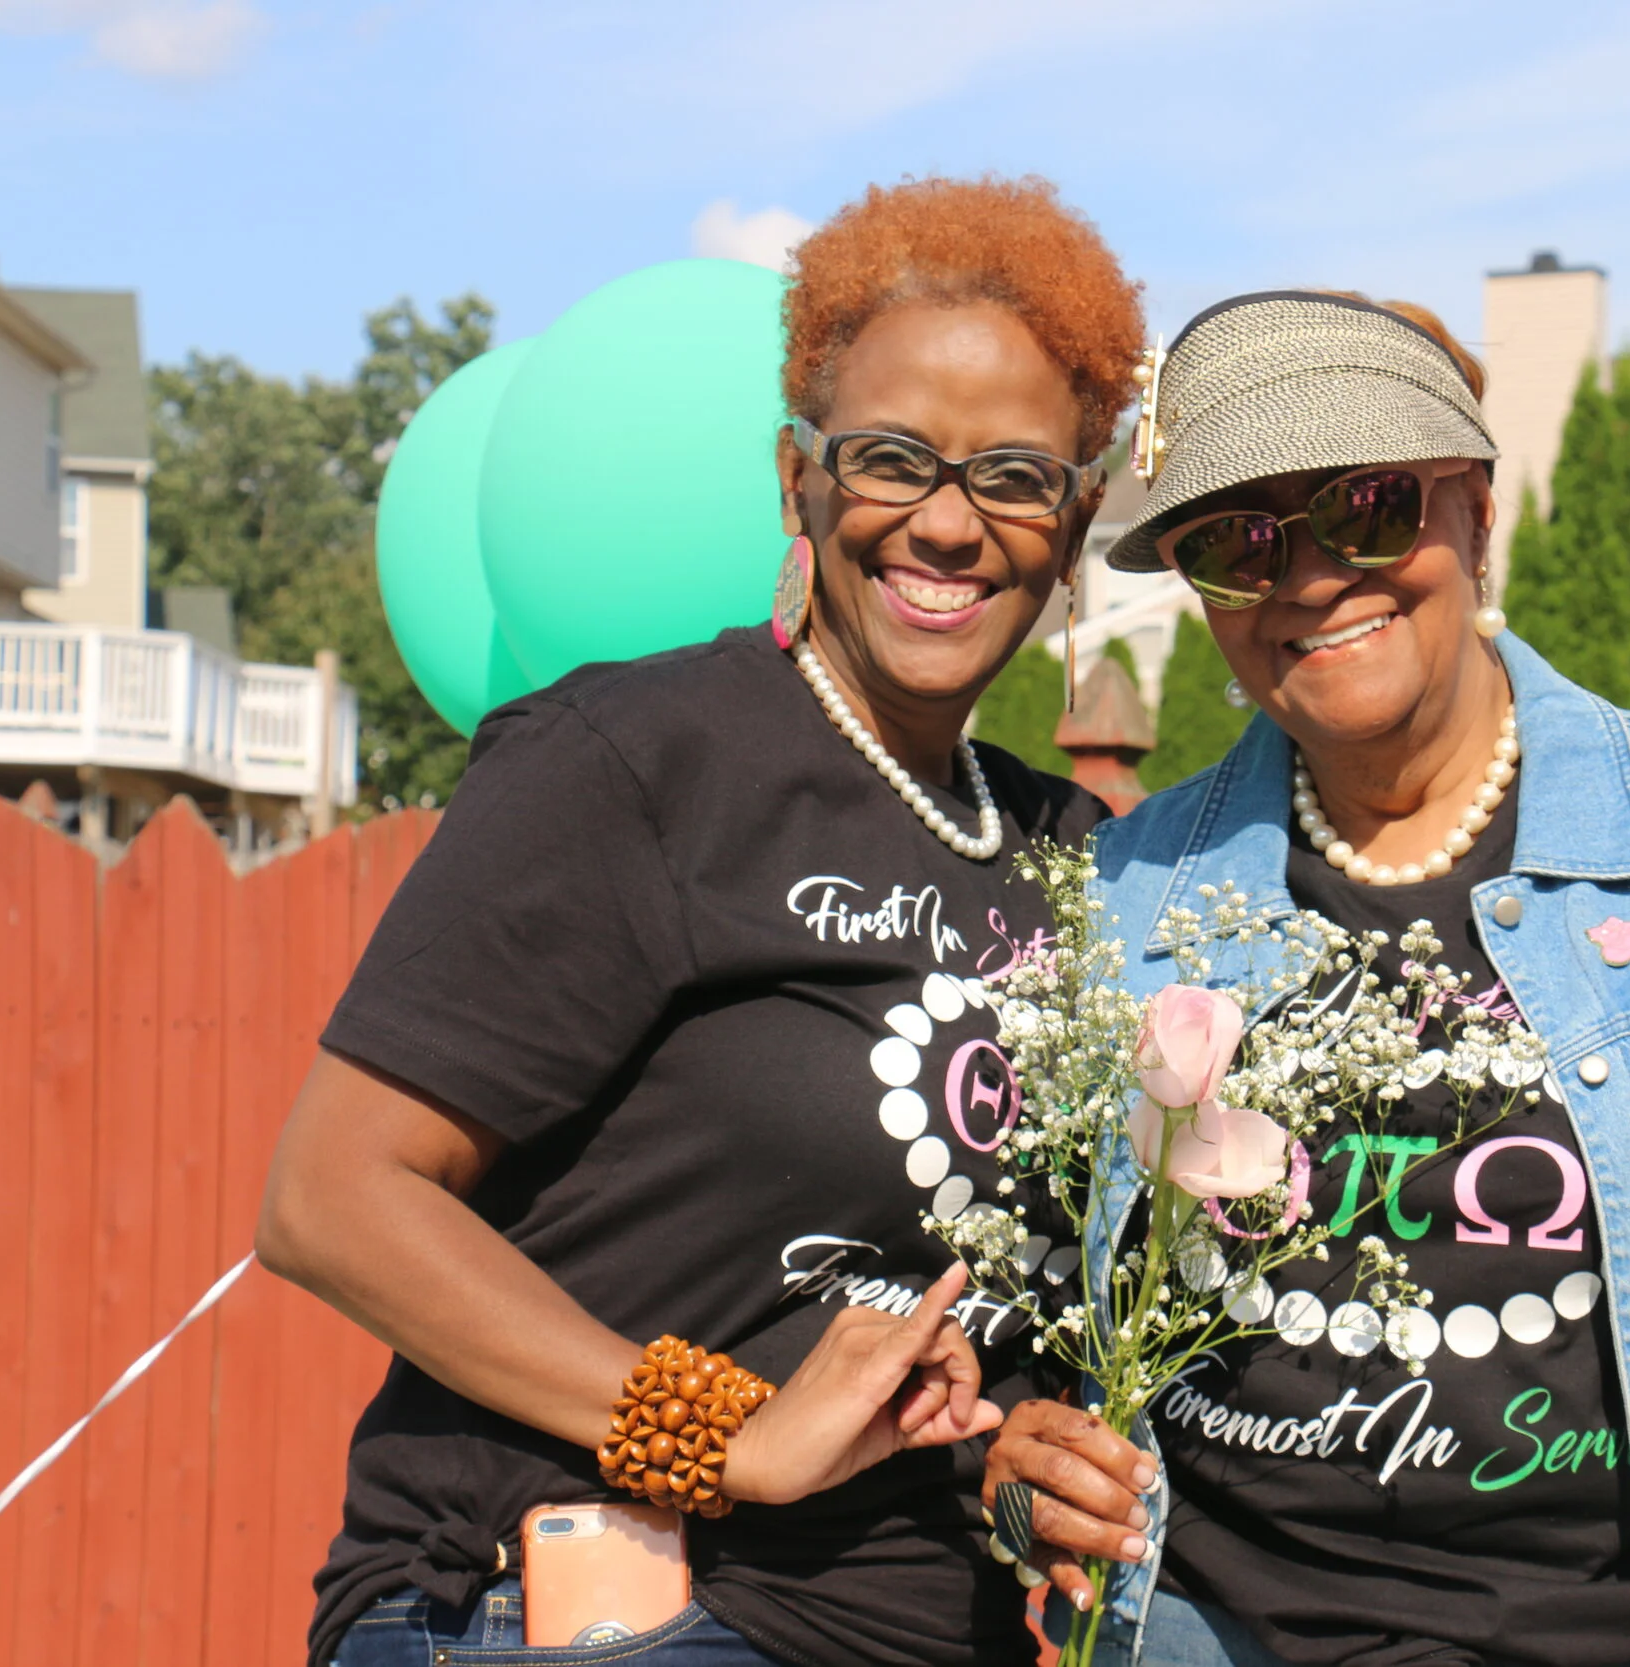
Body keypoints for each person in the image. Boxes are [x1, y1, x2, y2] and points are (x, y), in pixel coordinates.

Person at [983, 292, 1630, 1667]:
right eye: (1236, 543)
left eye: (1366, 508)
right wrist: (1024, 1461)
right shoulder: (1124, 898)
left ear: (1476, 517)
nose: (1309, 578)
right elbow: (1039, 1324)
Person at [256, 175, 1145, 1667]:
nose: (947, 524)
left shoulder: (1082, 858)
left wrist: (1016, 1454)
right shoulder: (639, 761)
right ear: (797, 479)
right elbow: (333, 1197)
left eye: (1013, 476)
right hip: (609, 1604)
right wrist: (717, 1432)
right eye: (890, 460)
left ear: (1077, 516)